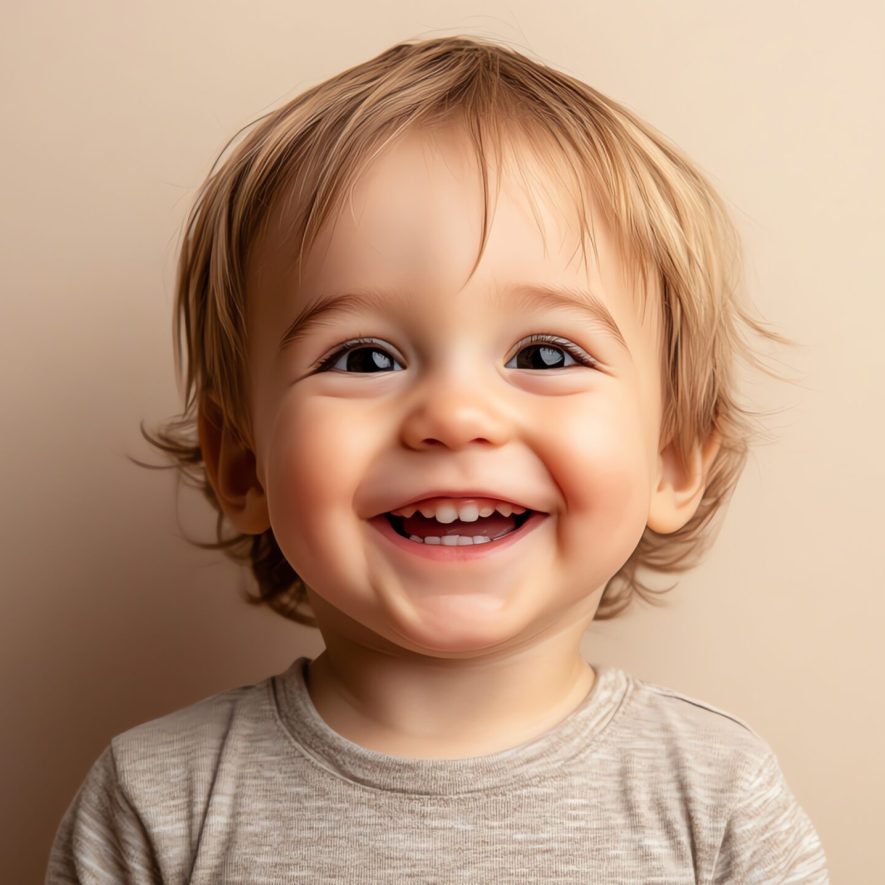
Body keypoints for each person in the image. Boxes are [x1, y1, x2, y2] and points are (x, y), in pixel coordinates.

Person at [46, 35, 828, 883]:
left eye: (545, 354)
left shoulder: (715, 799)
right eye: (363, 359)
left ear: (673, 457)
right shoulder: (159, 800)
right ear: (243, 465)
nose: (456, 417)